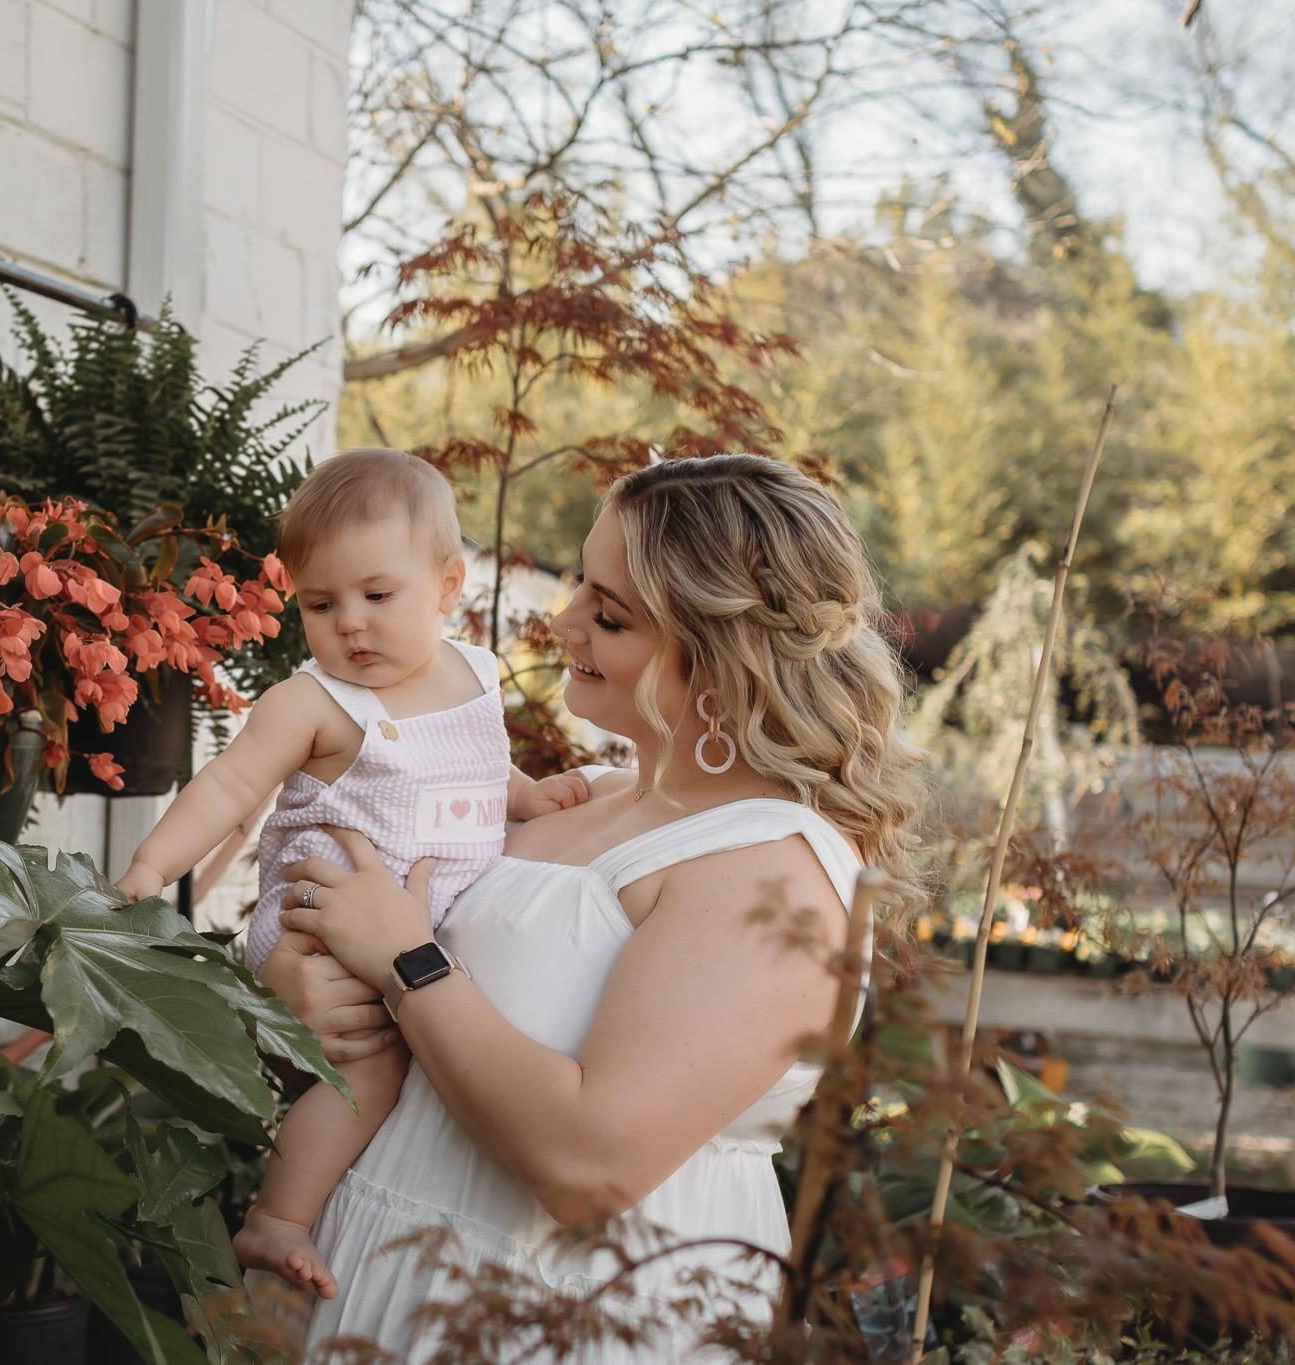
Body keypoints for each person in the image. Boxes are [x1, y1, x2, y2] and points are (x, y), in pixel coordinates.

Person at [258, 452, 930, 1360]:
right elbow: (373, 976)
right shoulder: (583, 800)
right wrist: (298, 1001)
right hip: (386, 1275)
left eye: (609, 613)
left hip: (572, 1318)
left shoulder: (772, 870)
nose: (563, 620)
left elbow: (592, 1167)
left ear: (721, 656)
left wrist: (407, 963)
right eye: (581, 584)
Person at [114, 448, 591, 1297]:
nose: (350, 625)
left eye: (378, 595)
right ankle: (277, 1217)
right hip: (321, 917)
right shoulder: (314, 702)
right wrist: (152, 865)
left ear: (448, 586)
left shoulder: (475, 675)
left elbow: (479, 772)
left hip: (412, 927)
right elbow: (229, 786)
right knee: (371, 1067)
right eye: (320, 603)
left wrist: (528, 795)